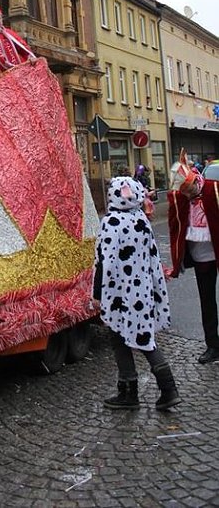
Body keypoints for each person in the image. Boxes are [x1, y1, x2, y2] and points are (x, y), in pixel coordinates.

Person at [93, 176, 179, 411]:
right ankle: (162, 389)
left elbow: (104, 262)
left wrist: (98, 294)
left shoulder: (111, 222)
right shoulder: (141, 219)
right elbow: (153, 257)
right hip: (142, 291)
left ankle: (140, 392)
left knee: (124, 338)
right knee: (140, 336)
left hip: (118, 293)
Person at [168, 148, 219, 364]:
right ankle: (213, 345)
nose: (187, 194)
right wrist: (177, 260)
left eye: (188, 189)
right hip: (200, 258)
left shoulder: (213, 189)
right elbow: (175, 226)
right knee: (207, 303)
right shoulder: (180, 198)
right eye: (184, 191)